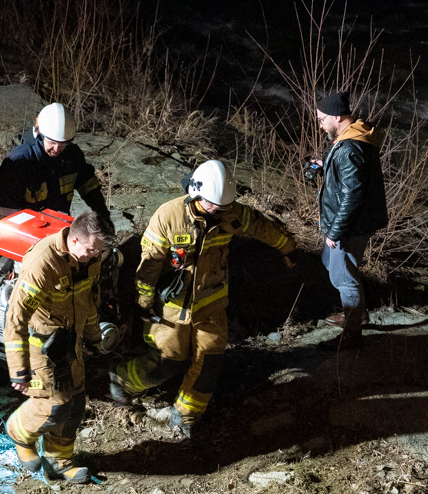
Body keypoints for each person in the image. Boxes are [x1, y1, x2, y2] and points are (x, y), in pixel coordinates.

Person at [108, 160, 297, 437]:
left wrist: (289, 247)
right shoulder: (169, 216)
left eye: (222, 206)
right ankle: (123, 379)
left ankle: (185, 417)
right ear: (195, 192)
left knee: (209, 361)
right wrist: (144, 301)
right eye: (211, 204)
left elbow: (260, 226)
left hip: (211, 302)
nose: (216, 210)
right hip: (171, 307)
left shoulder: (231, 212)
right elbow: (149, 264)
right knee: (168, 362)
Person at [3, 211, 114, 483]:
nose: (94, 255)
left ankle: (59, 462)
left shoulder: (90, 258)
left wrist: (92, 339)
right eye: (90, 250)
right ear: (73, 240)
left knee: (75, 403)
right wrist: (18, 369)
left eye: (99, 251)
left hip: (70, 343)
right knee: (54, 404)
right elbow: (16, 317)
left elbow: (88, 302)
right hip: (41, 347)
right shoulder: (43, 263)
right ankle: (18, 431)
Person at [315, 90, 388, 350]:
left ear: (337, 117)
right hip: (354, 221)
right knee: (331, 263)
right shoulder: (352, 137)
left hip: (350, 225)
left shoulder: (349, 147)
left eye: (322, 119)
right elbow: (354, 178)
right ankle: (356, 313)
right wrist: (325, 166)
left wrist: (335, 232)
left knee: (344, 277)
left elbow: (352, 195)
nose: (320, 123)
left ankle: (353, 332)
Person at [0, 102, 113, 230]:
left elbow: (90, 189)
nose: (56, 149)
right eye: (52, 142)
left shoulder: (72, 156)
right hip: (26, 232)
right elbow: (5, 216)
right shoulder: (19, 162)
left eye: (62, 144)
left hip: (59, 228)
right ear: (40, 135)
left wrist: (104, 217)